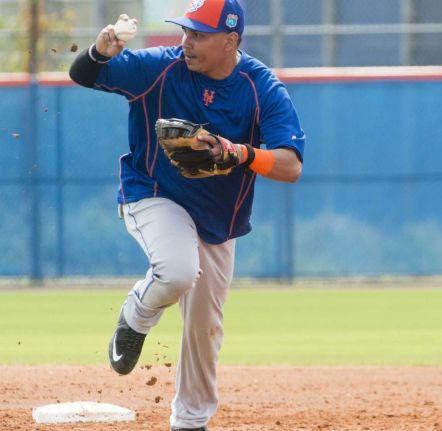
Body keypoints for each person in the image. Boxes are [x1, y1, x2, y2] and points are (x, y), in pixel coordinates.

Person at [68, 0, 305, 429]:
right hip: (154, 193)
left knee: (204, 327)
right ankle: (136, 316)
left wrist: (242, 153)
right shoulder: (160, 66)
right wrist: (100, 50)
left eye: (199, 34)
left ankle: (190, 422)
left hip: (217, 218)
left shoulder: (261, 87)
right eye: (186, 31)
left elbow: (290, 165)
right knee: (177, 271)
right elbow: (83, 74)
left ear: (230, 41)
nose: (186, 41)